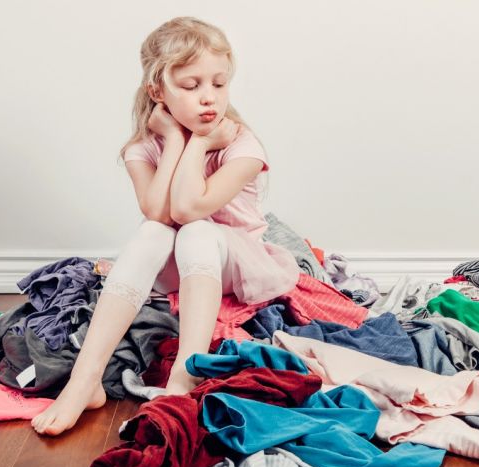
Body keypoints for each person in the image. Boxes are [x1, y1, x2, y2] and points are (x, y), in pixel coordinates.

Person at [31, 16, 300, 436]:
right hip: (182, 264)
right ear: (158, 92)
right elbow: (158, 213)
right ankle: (85, 380)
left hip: (238, 264)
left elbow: (191, 207)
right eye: (191, 87)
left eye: (219, 83)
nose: (209, 98)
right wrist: (174, 140)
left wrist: (201, 142)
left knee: (194, 229)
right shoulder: (144, 147)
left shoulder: (242, 144)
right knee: (156, 232)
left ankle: (183, 376)